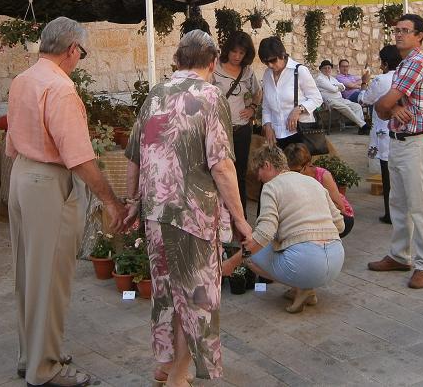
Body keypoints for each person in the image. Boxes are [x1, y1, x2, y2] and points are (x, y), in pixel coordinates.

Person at [123, 30, 251, 387]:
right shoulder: (211, 97)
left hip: (155, 214)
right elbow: (222, 166)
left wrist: (132, 202)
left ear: (178, 60)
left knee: (166, 292)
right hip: (192, 217)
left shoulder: (154, 95)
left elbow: (133, 155)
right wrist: (241, 220)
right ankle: (178, 376)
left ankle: (165, 367)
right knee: (193, 298)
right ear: (212, 62)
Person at [6, 17, 127, 387]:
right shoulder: (60, 89)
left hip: (22, 175)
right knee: (50, 277)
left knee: (28, 273)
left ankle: (34, 354)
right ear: (72, 49)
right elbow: (78, 155)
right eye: (81, 53)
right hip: (47, 180)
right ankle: (44, 368)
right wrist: (110, 200)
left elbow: (10, 140)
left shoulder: (22, 80)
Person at [221, 143, 345, 314]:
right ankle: (303, 287)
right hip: (336, 259)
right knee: (274, 245)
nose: (258, 178)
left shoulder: (271, 187)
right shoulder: (312, 181)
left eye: (258, 171)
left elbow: (264, 234)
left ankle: (302, 286)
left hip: (306, 263)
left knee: (251, 255)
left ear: (267, 165)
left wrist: (231, 263)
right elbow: (340, 224)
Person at [368, 14, 423, 290]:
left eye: (405, 31)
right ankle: (400, 255)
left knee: (419, 206)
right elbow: (385, 105)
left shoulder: (415, 63)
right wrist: (393, 107)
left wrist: (388, 106)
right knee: (397, 202)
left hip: (415, 143)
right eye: (397, 30)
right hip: (400, 140)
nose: (398, 35)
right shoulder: (405, 63)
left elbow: (380, 104)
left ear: (419, 35)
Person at [210, 31, 262, 216]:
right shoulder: (215, 69)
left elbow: (258, 91)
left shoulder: (247, 72)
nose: (237, 57)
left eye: (241, 53)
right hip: (219, 130)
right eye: (234, 52)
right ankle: (220, 215)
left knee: (239, 172)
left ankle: (241, 217)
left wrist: (253, 108)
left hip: (242, 129)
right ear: (227, 50)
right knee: (218, 171)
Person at [356, 44, 402, 224]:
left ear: (385, 62)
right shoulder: (403, 78)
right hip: (400, 130)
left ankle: (390, 212)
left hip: (384, 131)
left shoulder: (380, 80)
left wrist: (364, 82)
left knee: (387, 173)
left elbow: (364, 99)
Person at [258, 36, 323, 150]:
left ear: (282, 55)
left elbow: (317, 98)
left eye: (273, 60)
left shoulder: (299, 71)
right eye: (266, 62)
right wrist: (267, 125)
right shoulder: (267, 74)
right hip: (276, 135)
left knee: (298, 167)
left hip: (299, 133)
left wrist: (299, 109)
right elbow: (266, 105)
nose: (270, 65)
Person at [284, 143, 355, 237]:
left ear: (308, 164)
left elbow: (340, 207)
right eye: (289, 171)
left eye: (297, 171)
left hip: (342, 217)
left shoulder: (323, 176)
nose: (293, 175)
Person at [314, 59, 368, 133]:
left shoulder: (332, 78)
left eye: (329, 67)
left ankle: (361, 127)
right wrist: (337, 87)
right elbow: (333, 89)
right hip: (329, 100)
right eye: (325, 68)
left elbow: (343, 87)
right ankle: (363, 126)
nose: (327, 69)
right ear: (321, 69)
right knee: (345, 107)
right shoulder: (320, 79)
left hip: (339, 99)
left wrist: (337, 87)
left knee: (357, 106)